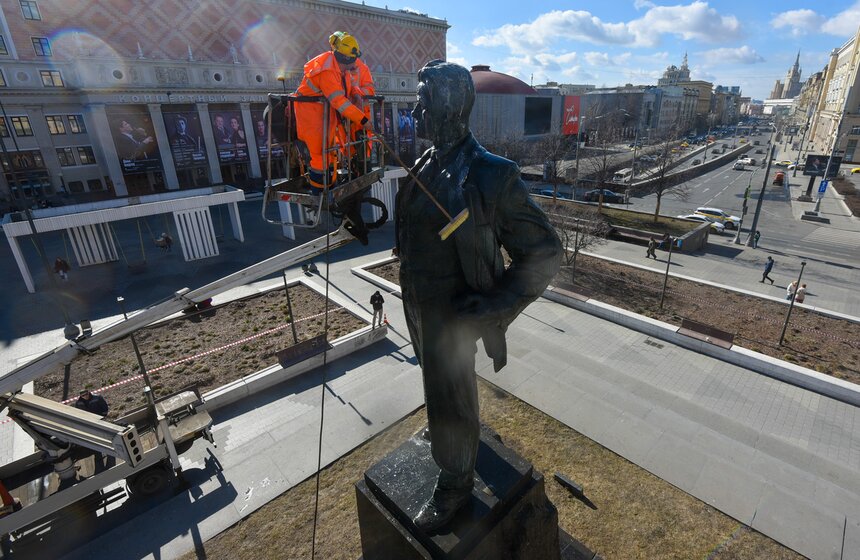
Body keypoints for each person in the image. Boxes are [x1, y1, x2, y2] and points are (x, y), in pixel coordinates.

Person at [397, 60, 562, 533]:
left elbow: (545, 252)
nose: (415, 112)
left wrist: (497, 304)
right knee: (438, 386)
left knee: (450, 393)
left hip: (454, 312)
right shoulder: (425, 163)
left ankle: (455, 481)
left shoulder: (492, 175)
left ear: (448, 107)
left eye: (421, 102)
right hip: (417, 303)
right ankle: (454, 438)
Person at [293, 31, 373, 190]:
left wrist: (357, 94)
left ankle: (329, 186)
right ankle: (320, 193)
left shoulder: (340, 69)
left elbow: (350, 86)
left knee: (329, 153)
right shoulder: (327, 71)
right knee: (320, 157)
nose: (356, 64)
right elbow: (339, 102)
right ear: (346, 59)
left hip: (324, 116)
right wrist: (363, 120)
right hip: (312, 117)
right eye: (354, 60)